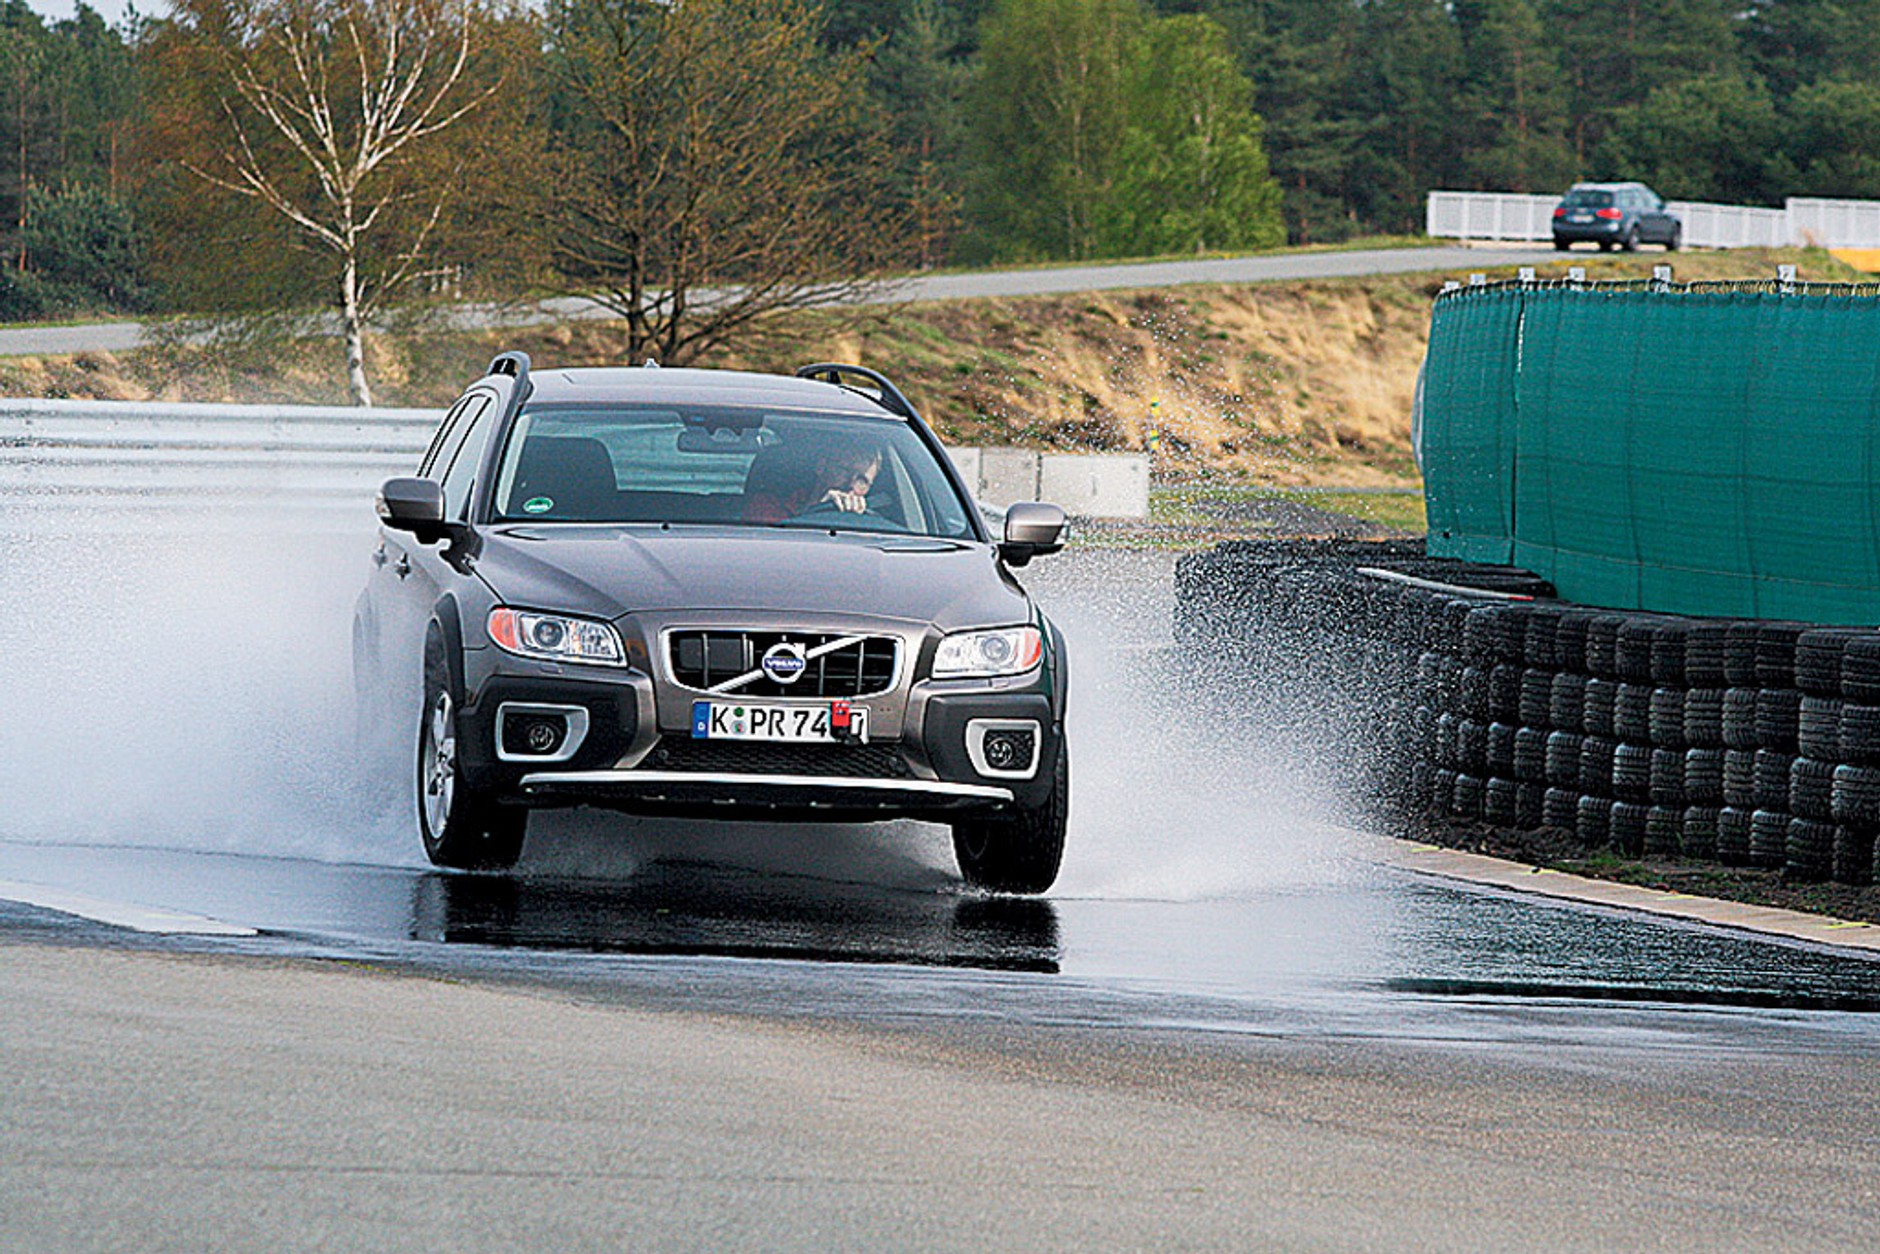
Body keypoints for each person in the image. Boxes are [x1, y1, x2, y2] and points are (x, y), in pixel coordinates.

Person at [743, 436, 881, 523]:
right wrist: (818, 511)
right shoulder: (769, 506)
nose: (851, 485)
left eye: (862, 481)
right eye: (844, 471)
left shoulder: (878, 527)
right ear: (821, 467)